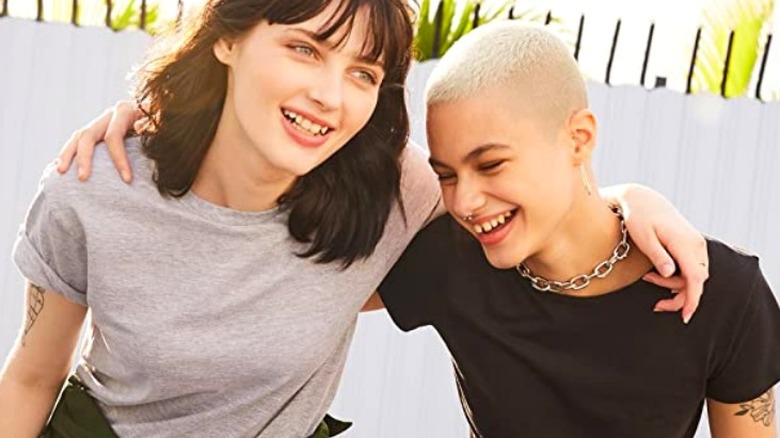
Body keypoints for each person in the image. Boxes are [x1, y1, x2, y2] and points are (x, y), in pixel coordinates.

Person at [0, 0, 708, 436]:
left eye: (364, 73)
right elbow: (32, 377)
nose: (330, 97)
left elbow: (522, 201)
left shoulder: (390, 188)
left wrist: (629, 198)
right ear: (227, 37)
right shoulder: (97, 187)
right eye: (304, 48)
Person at [376, 22, 780, 437]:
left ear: (579, 139)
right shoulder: (450, 261)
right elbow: (318, 291)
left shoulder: (722, 291)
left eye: (491, 165)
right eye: (446, 175)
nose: (463, 202)